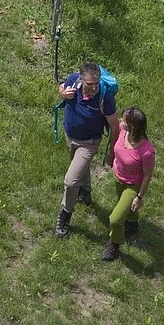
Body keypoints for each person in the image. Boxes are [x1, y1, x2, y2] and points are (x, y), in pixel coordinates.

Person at [55, 61, 117, 238]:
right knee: (79, 167)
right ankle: (86, 192)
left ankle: (65, 214)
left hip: (89, 142)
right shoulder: (74, 80)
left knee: (70, 181)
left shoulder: (105, 97)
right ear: (81, 80)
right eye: (90, 84)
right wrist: (63, 93)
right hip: (70, 136)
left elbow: (115, 126)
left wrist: (112, 152)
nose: (94, 87)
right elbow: (61, 87)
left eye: (97, 83)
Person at [103, 107, 155, 261]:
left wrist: (139, 197)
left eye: (124, 120)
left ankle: (115, 243)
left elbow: (147, 176)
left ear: (133, 127)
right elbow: (115, 144)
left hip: (133, 185)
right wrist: (111, 156)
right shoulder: (122, 131)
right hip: (118, 177)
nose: (120, 121)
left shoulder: (146, 151)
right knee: (127, 209)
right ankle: (132, 223)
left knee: (115, 219)